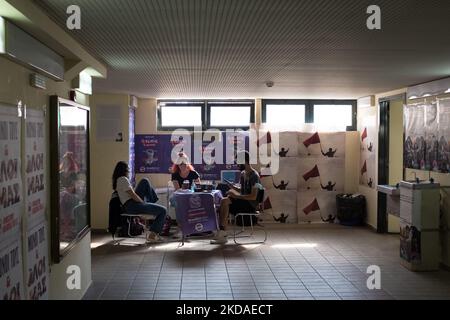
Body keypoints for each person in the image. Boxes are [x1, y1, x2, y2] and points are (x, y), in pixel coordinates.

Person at [211, 151, 262, 244]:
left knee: (226, 201)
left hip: (250, 206)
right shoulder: (243, 174)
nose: (236, 164)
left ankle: (222, 233)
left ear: (245, 161)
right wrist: (233, 187)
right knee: (224, 200)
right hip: (244, 202)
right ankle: (222, 232)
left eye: (238, 162)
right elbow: (242, 190)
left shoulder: (255, 176)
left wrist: (236, 196)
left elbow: (253, 197)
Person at [112, 161, 167, 242]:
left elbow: (132, 194)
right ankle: (153, 235)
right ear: (124, 170)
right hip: (131, 205)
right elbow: (133, 195)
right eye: (128, 169)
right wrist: (142, 202)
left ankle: (152, 201)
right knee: (163, 210)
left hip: (131, 204)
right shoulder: (123, 179)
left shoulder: (120, 180)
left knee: (144, 181)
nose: (129, 171)